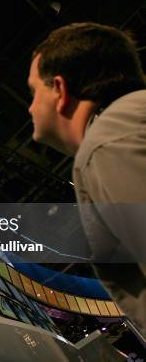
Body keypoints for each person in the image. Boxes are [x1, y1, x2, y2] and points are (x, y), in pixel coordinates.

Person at [27, 22, 146, 336]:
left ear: (60, 91)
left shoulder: (110, 144)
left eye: (34, 91)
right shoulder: (131, 123)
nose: (29, 107)